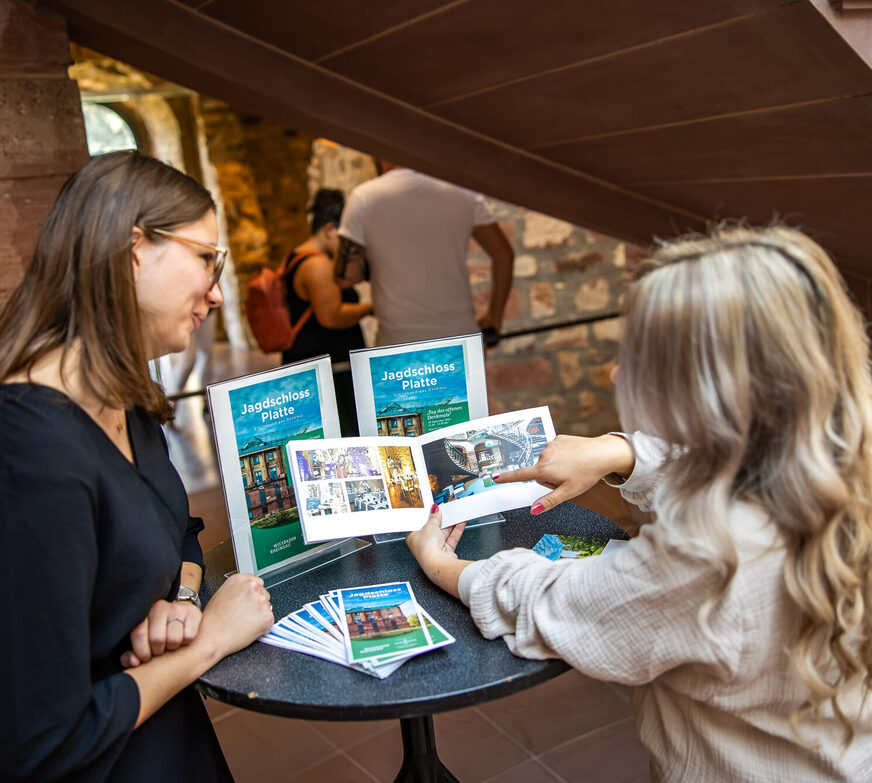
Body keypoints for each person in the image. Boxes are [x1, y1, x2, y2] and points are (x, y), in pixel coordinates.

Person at [407, 224, 872, 781]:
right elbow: (720, 457)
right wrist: (618, 452)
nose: (616, 373)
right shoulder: (838, 460)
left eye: (643, 359)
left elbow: (557, 603)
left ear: (710, 392)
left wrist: (444, 565)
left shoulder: (712, 552)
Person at [0, 151, 274, 782]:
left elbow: (173, 528)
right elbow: (45, 742)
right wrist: (209, 640)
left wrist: (176, 594)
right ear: (134, 249)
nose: (215, 289)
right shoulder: (32, 453)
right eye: (207, 257)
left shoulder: (124, 394)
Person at [334, 161, 514, 346]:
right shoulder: (463, 191)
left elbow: (346, 277)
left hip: (397, 342)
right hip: (459, 338)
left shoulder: (364, 197)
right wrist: (495, 315)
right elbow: (503, 254)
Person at [282, 188, 372, 434]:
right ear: (330, 229)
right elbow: (331, 316)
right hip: (330, 371)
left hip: (324, 365)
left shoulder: (298, 255)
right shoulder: (317, 264)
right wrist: (371, 308)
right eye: (346, 235)